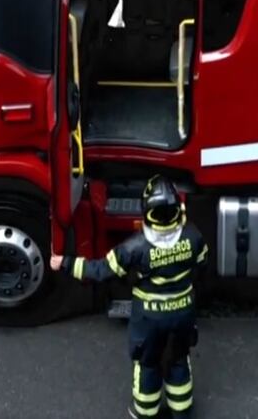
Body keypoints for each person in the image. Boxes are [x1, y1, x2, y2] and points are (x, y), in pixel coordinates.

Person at [50, 175, 209, 419]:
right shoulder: (194, 237)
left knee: (148, 365)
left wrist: (65, 263)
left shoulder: (133, 248)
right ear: (179, 209)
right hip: (183, 313)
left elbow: (100, 271)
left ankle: (145, 413)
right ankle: (182, 411)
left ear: (146, 213)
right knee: (178, 360)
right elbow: (201, 266)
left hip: (148, 320)